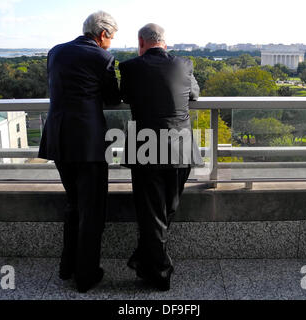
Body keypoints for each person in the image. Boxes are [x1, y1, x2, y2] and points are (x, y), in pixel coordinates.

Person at [38, 11, 121, 293]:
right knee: (92, 209)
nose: (111, 43)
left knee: (73, 204)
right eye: (112, 38)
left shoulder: (56, 51)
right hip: (88, 141)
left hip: (58, 138)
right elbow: (112, 97)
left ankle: (67, 267)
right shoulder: (102, 57)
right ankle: (85, 276)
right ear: (103, 35)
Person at [119, 23, 200, 291]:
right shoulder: (184, 63)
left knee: (152, 212)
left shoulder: (130, 67)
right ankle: (153, 266)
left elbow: (126, 96)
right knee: (167, 208)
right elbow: (195, 94)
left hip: (146, 145)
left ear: (141, 42)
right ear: (164, 42)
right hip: (181, 144)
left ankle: (155, 269)